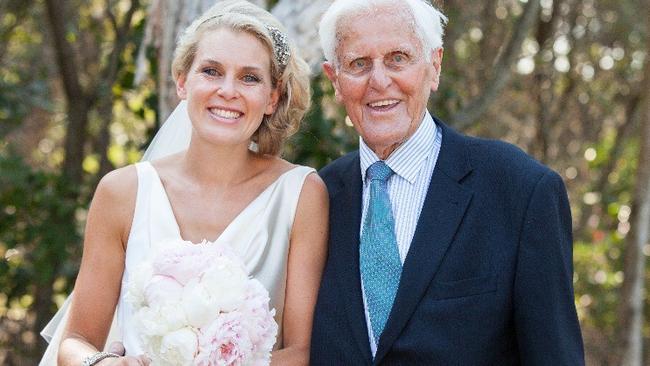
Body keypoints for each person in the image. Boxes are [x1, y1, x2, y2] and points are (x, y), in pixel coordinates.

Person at [40, 1, 328, 365]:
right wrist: (102, 363)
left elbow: (303, 352)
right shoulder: (122, 193)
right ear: (182, 82)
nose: (228, 90)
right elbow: (76, 340)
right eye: (211, 71)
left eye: (250, 77)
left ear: (272, 98)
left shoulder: (301, 194)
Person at [310, 0, 584, 364]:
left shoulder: (519, 191)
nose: (378, 80)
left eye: (397, 58)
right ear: (335, 81)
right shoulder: (315, 198)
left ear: (434, 66)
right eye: (359, 64)